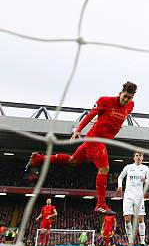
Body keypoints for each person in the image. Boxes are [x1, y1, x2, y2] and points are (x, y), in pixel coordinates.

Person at [26, 81, 138, 215]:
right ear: (120, 93)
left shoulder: (130, 106)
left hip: (103, 140)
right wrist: (79, 129)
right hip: (95, 139)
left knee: (73, 160)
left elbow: (109, 117)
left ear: (132, 98)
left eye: (129, 97)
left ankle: (39, 159)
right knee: (104, 168)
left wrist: (101, 119)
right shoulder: (106, 101)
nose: (125, 100)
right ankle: (100, 204)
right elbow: (91, 114)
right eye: (124, 96)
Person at [117, 151, 149, 246]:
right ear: (134, 157)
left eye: (140, 155)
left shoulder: (145, 168)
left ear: (142, 158)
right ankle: (130, 241)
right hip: (128, 196)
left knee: (141, 220)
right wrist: (120, 186)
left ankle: (142, 242)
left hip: (139, 197)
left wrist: (145, 180)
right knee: (127, 219)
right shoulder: (128, 167)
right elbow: (120, 177)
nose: (138, 157)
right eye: (136, 155)